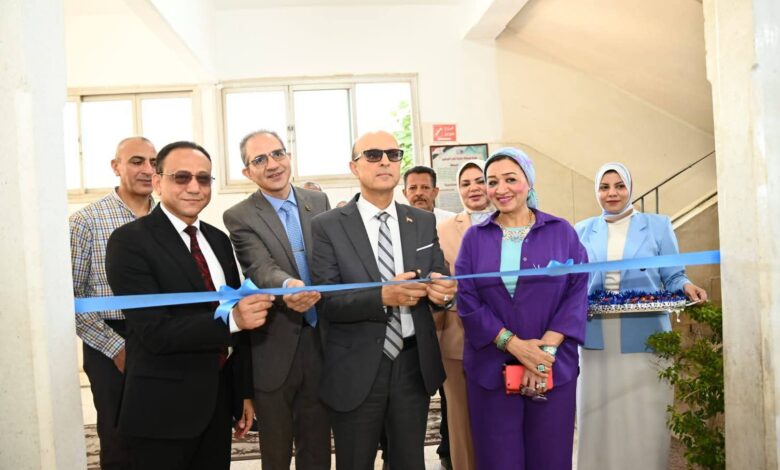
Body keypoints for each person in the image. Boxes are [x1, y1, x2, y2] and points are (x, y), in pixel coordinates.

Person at [105, 141, 274, 470]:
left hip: (216, 405)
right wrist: (234, 320)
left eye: (203, 178)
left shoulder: (218, 240)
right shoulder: (129, 241)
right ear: (158, 182)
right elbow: (154, 331)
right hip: (161, 410)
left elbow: (235, 325)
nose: (194, 187)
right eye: (181, 177)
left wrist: (242, 393)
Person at [311, 131, 456, 470]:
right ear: (354, 167)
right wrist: (382, 296)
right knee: (354, 461)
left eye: (393, 154)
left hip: (412, 363)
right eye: (373, 155)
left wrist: (444, 294)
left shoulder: (422, 220)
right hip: (355, 364)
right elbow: (326, 300)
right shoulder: (328, 226)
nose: (385, 162)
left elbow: (439, 276)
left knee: (409, 462)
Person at [455, 148, 588, 469]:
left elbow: (576, 293)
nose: (501, 189)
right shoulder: (474, 238)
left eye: (510, 179)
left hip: (551, 369)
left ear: (529, 182)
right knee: (498, 459)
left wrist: (542, 354)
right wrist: (515, 346)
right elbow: (468, 300)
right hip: (491, 370)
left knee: (550, 458)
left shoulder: (562, 232)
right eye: (492, 181)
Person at [575, 162, 708, 470]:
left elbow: (673, 274)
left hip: (645, 332)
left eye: (619, 186)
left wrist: (686, 286)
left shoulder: (658, 226)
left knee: (644, 411)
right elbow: (573, 280)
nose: (612, 193)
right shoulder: (581, 230)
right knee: (598, 411)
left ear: (630, 188)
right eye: (604, 187)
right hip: (595, 336)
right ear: (596, 191)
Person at [223, 130, 331, 470]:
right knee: (276, 450)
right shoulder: (239, 215)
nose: (272, 165)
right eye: (259, 160)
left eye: (277, 154)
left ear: (289, 156)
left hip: (322, 341)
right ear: (247, 172)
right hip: (275, 346)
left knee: (317, 445)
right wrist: (289, 286)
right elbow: (259, 266)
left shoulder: (319, 202)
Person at [70, 136, 157, 469]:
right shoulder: (86, 222)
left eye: (154, 162)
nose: (147, 169)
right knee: (120, 440)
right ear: (116, 167)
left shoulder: (169, 218)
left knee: (166, 435)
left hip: (163, 336)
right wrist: (116, 348)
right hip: (109, 340)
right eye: (136, 161)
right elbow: (72, 298)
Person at [435, 159, 492, 470]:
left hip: (509, 338)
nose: (473, 188)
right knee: (461, 420)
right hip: (458, 337)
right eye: (465, 183)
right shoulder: (444, 229)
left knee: (500, 419)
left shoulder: (511, 223)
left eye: (479, 180)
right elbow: (439, 281)